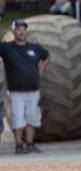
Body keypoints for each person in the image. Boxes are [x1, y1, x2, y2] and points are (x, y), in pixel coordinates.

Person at [0, 19, 49, 154]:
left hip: (33, 90)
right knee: (18, 118)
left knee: (32, 118)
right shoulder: (6, 48)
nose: (21, 32)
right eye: (18, 29)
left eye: (23, 29)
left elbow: (47, 56)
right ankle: (19, 145)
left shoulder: (34, 48)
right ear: (13, 31)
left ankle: (30, 144)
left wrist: (41, 69)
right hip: (16, 92)